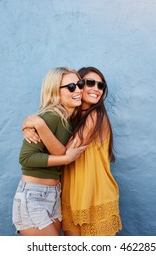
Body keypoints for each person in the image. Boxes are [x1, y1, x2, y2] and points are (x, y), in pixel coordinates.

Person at [22, 66, 122, 236]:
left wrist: (38, 124)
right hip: (71, 197)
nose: (96, 89)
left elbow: (64, 152)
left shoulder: (95, 116)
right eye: (89, 83)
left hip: (95, 196)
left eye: (101, 86)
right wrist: (27, 125)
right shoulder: (69, 119)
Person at [12, 67, 87, 236]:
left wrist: (32, 122)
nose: (78, 90)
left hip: (54, 196)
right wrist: (65, 160)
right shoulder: (50, 117)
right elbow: (26, 158)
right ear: (55, 91)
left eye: (80, 84)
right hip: (33, 196)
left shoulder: (70, 120)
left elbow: (59, 150)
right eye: (71, 87)